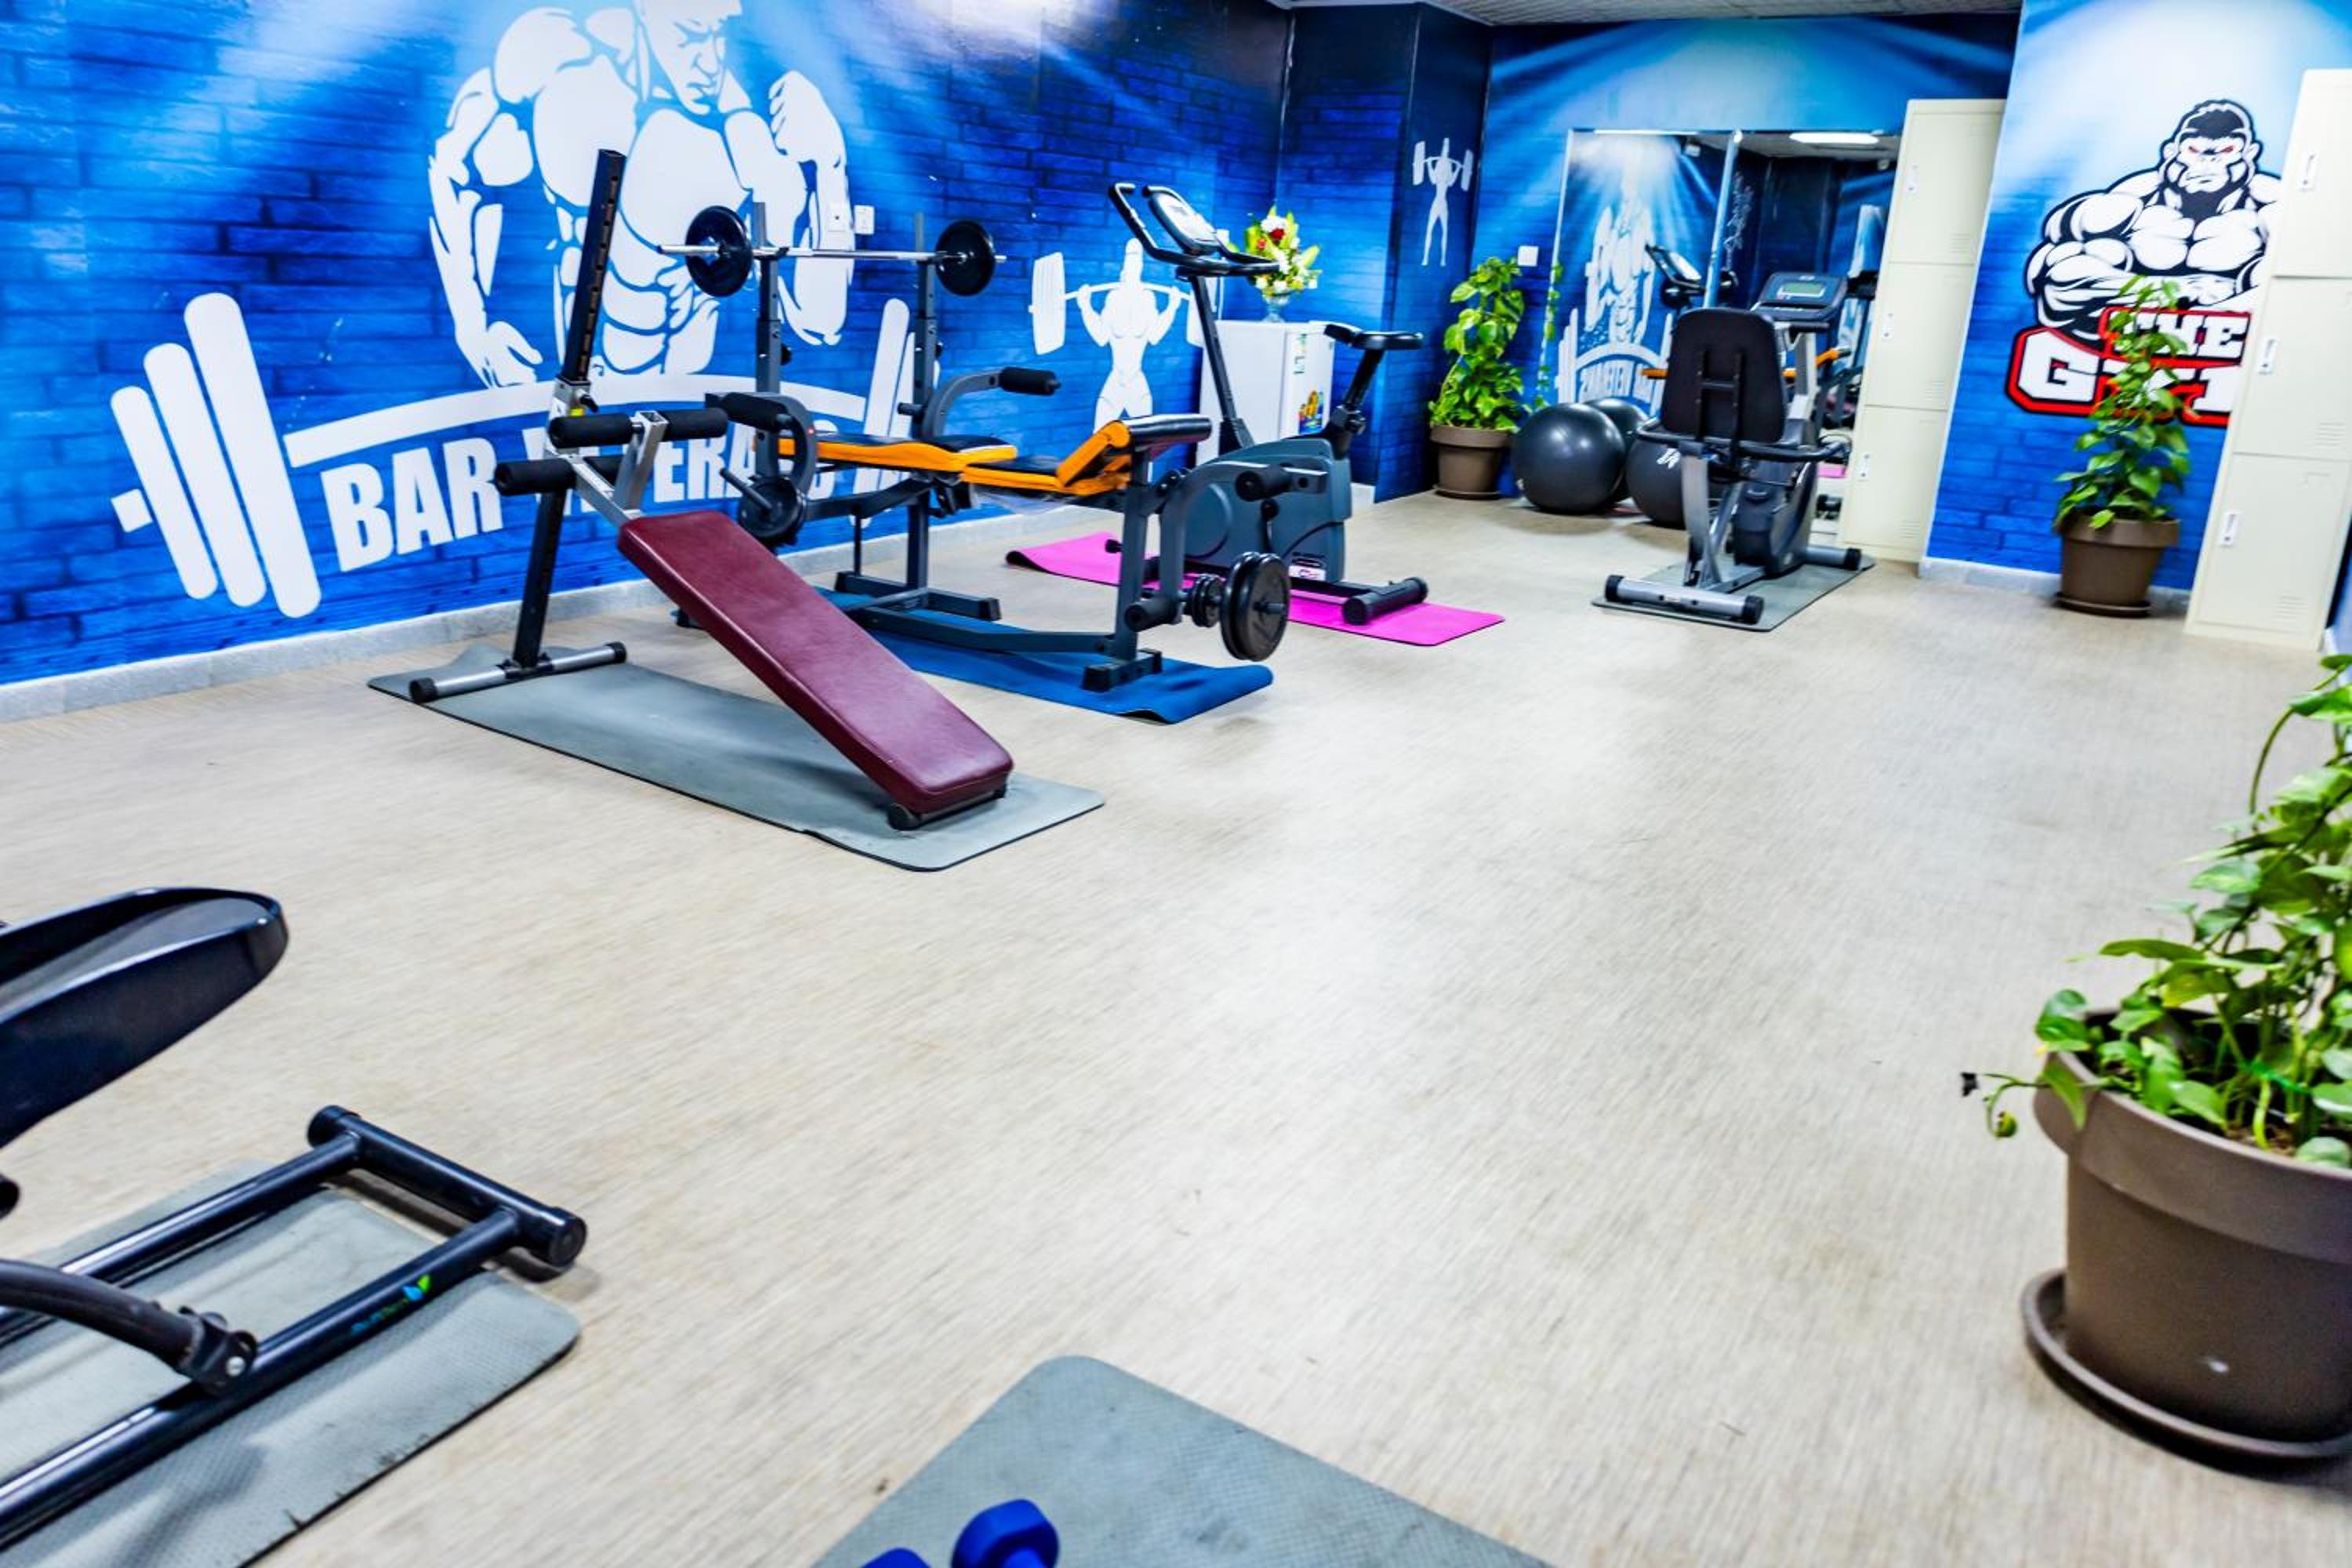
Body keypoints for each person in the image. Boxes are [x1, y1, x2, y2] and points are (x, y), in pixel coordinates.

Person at [427, 0, 854, 387]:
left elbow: (820, 321)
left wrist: (829, 166)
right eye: (690, 34)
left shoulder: (746, 130)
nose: (710, 62)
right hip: (568, 376)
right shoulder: (562, 58)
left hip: (685, 389)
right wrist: (473, 326)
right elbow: (455, 169)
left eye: (718, 35)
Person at [2026, 100, 2276, 339]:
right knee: (2086, 254)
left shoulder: (2271, 202)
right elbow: (2055, 259)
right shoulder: (2134, 195)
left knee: (2273, 273)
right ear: (2172, 152)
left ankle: (2213, 314)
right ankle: (2176, 297)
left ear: (2249, 153)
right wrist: (2173, 289)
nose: (2208, 162)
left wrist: (2219, 309)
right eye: (2194, 150)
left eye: (2226, 151)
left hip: (2227, 324)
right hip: (2128, 314)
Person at [1078, 240, 1185, 427]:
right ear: (1123, 269)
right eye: (1129, 259)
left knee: (1145, 438)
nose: (1132, 266)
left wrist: (1172, 308)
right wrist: (1085, 306)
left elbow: (1155, 335)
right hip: (1115, 380)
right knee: (1100, 436)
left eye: (1136, 260)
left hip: (1137, 382)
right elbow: (1101, 336)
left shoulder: (1147, 298)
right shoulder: (1114, 297)